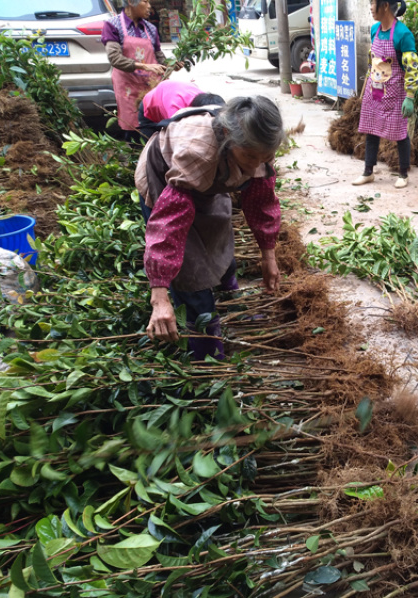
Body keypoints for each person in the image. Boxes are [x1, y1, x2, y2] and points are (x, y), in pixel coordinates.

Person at [135, 96, 285, 360]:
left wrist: (268, 256)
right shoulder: (198, 152)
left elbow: (261, 202)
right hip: (164, 175)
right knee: (190, 272)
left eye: (265, 157)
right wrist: (159, 297)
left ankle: (229, 294)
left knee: (218, 229)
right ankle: (208, 355)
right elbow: (167, 229)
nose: (255, 165)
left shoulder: (258, 146)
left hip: (209, 172)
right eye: (249, 156)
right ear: (227, 136)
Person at [354, 0, 418, 189]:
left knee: (399, 132)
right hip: (375, 90)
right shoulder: (375, 30)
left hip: (395, 92)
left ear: (384, 6)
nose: (370, 7)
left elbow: (412, 68)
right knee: (371, 129)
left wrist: (410, 96)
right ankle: (368, 172)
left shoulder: (403, 34)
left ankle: (403, 173)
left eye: (373, 3)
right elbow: (372, 60)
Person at [102, 0, 168, 140]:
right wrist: (144, 66)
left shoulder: (151, 29)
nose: (150, 6)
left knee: (155, 127)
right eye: (145, 1)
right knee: (133, 130)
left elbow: (160, 57)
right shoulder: (113, 25)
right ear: (131, 2)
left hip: (150, 87)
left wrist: (172, 65)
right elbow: (115, 59)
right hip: (128, 89)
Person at [137, 80, 225, 139]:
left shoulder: (207, 100)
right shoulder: (175, 109)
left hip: (168, 94)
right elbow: (176, 137)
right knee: (150, 145)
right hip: (149, 108)